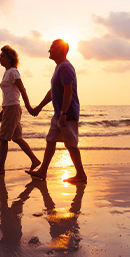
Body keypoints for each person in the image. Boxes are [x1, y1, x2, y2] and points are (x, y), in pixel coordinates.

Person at [26, 39, 87, 184]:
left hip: (67, 114)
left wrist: (64, 113)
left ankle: (81, 175)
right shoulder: (59, 67)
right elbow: (53, 92)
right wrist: (40, 107)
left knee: (71, 145)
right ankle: (42, 171)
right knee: (50, 140)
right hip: (59, 114)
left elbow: (68, 91)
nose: (49, 51)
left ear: (60, 50)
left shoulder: (65, 67)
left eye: (51, 48)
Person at [0, 45, 41, 175]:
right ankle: (34, 160)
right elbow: (9, 94)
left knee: (3, 138)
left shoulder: (13, 72)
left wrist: (29, 107)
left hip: (13, 108)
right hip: (9, 108)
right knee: (17, 138)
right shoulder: (7, 72)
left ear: (9, 58)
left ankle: (0, 168)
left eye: (2, 56)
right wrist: (3, 110)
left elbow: (22, 90)